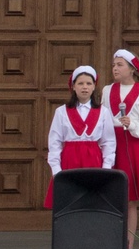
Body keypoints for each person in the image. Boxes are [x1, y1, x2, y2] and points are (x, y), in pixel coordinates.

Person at [106, 49, 139, 249]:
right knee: (112, 197)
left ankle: (129, 248)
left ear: (132, 68)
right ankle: (111, 245)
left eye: (120, 64)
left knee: (130, 199)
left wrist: (131, 124)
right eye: (114, 64)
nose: (115, 68)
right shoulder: (108, 91)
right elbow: (103, 120)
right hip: (112, 144)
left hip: (132, 145)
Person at [45, 65, 116, 209]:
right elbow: (54, 142)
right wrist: (56, 169)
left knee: (92, 202)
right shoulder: (61, 112)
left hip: (93, 161)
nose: (85, 87)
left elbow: (109, 141)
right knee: (69, 202)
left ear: (94, 87)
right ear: (73, 87)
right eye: (80, 83)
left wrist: (106, 168)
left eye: (89, 83)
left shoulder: (103, 112)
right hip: (69, 161)